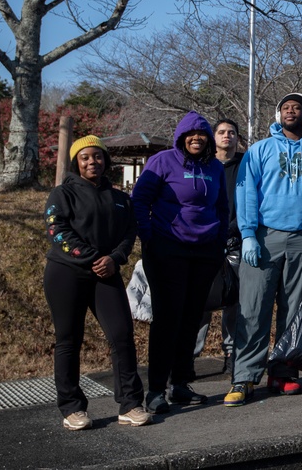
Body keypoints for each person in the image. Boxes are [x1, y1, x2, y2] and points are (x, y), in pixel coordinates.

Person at [225, 93, 302, 407]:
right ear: (278, 115)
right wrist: (248, 234)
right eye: (286, 108)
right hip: (264, 238)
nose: (292, 111)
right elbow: (246, 191)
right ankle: (244, 377)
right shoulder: (260, 150)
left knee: (294, 312)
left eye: (298, 107)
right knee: (253, 308)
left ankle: (283, 372)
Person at [44, 135, 150, 430]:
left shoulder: (120, 198)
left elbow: (130, 232)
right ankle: (72, 408)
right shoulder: (62, 194)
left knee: (121, 335)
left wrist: (114, 259)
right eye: (86, 157)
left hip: (107, 272)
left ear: (106, 160)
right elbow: (57, 230)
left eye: (98, 156)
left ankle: (130, 404)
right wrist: (93, 257)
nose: (93, 161)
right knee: (69, 340)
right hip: (66, 273)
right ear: (77, 162)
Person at [132, 112, 228, 413]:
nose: (197, 138)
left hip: (204, 252)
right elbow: (139, 200)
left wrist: (218, 240)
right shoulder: (162, 161)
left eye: (202, 134)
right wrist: (149, 237)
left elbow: (222, 206)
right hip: (167, 249)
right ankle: (156, 390)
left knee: (192, 319)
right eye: (191, 134)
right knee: (167, 320)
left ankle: (180, 384)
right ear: (181, 137)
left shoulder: (214, 167)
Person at [194, 118, 244, 376]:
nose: (227, 136)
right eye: (222, 132)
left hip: (238, 241)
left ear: (237, 138)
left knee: (233, 300)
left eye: (232, 132)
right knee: (200, 300)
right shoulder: (202, 165)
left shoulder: (246, 165)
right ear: (213, 138)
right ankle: (189, 358)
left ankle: (232, 355)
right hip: (204, 241)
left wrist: (234, 229)